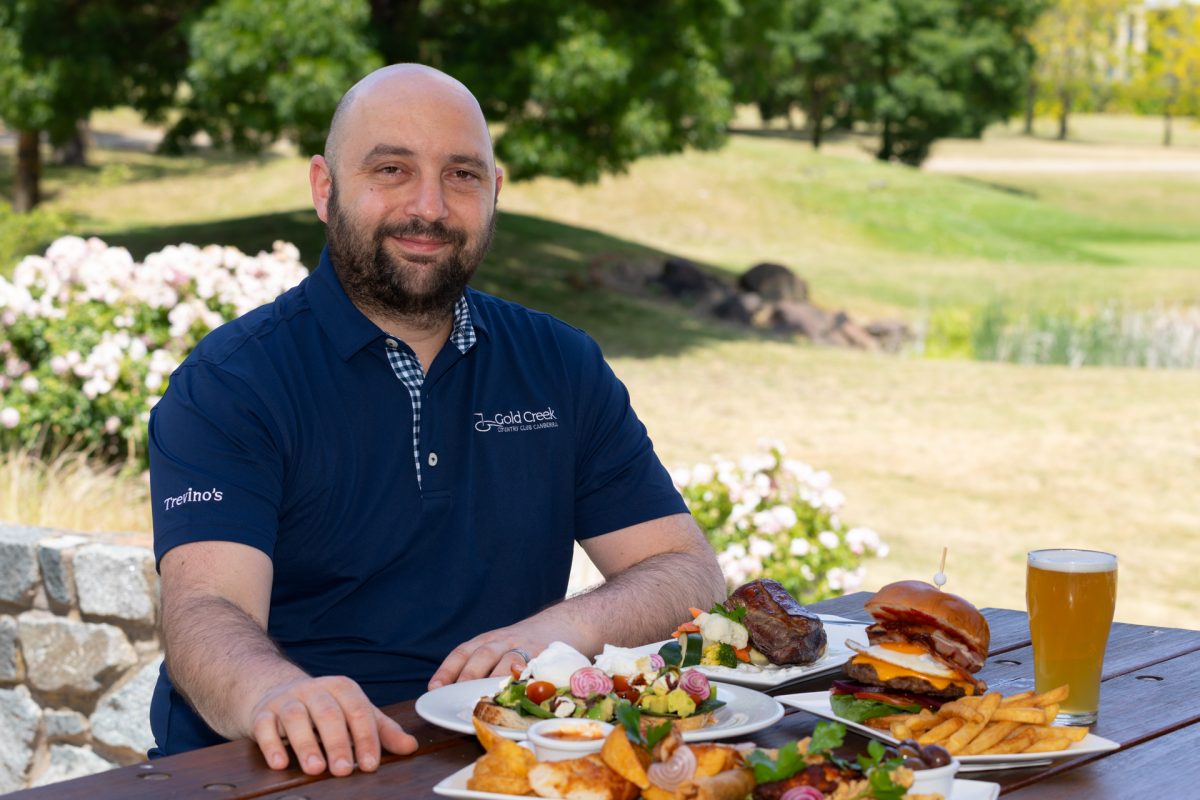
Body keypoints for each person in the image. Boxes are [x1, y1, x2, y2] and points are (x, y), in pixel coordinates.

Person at [147, 63, 726, 778]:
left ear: (495, 193)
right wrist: (278, 694)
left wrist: (564, 629)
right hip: (271, 771)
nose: (430, 206)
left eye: (461, 175)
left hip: (502, 763)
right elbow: (205, 611)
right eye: (391, 169)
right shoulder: (232, 383)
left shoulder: (561, 365)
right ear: (324, 189)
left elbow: (687, 570)